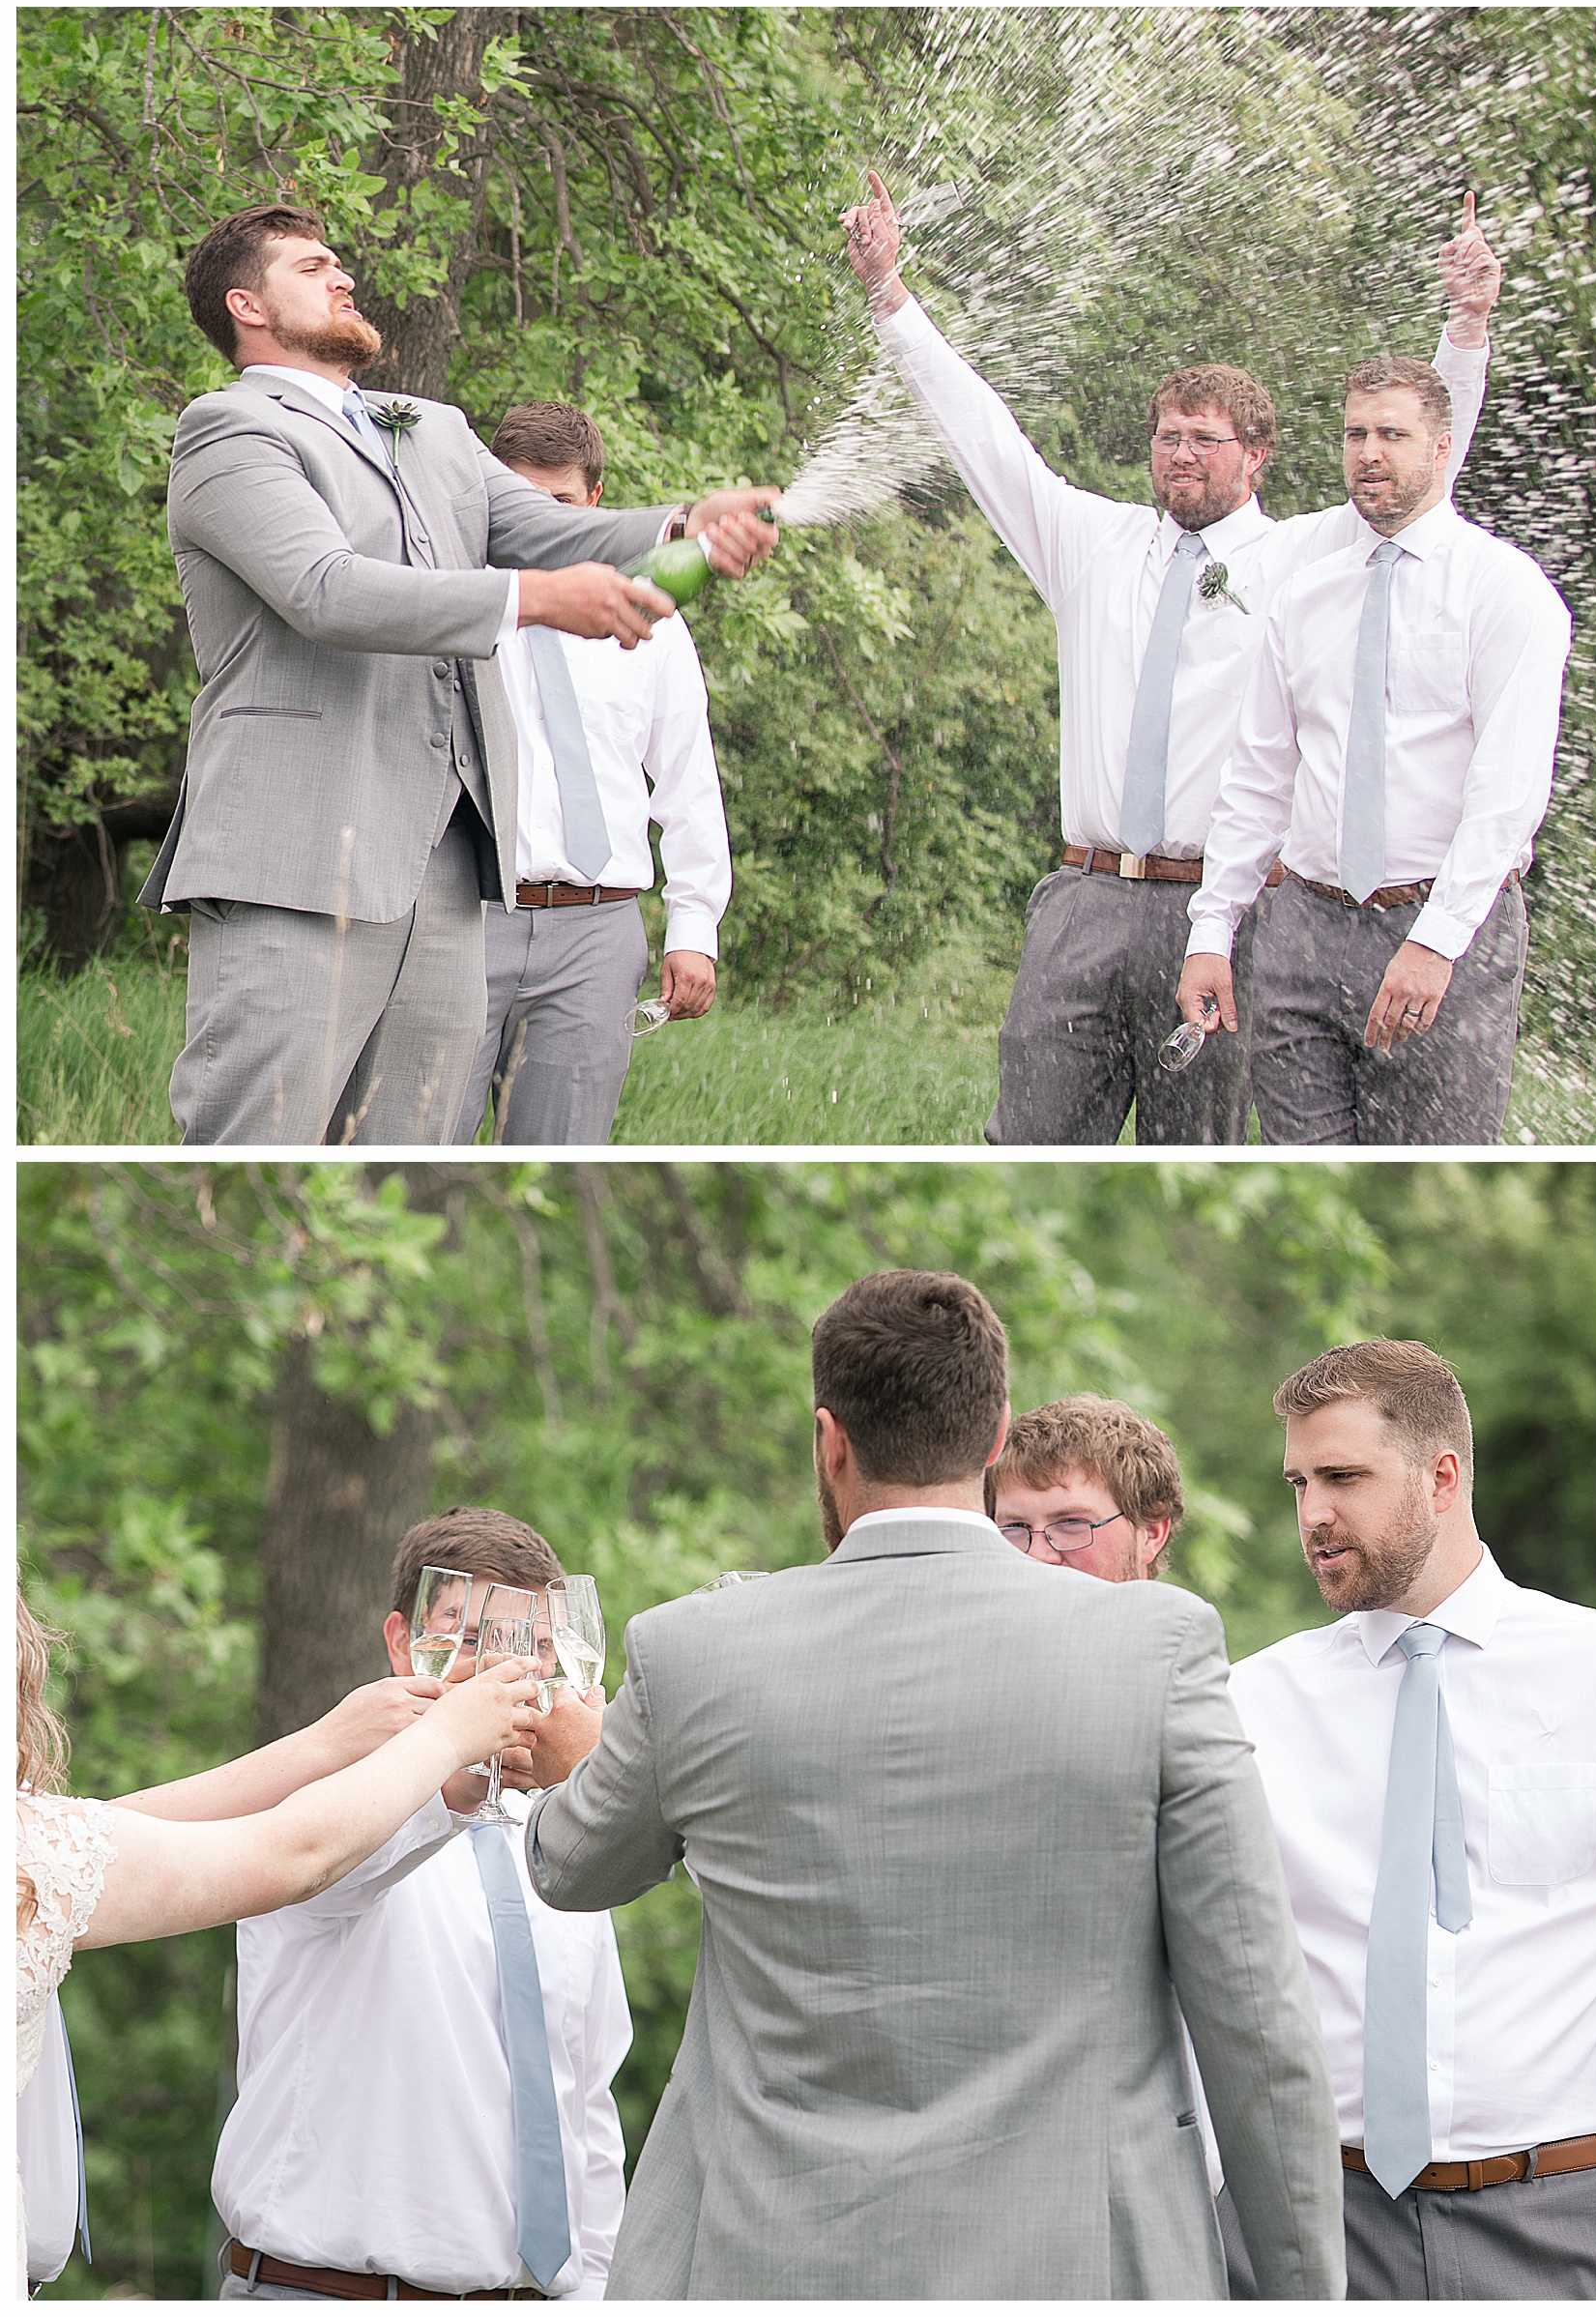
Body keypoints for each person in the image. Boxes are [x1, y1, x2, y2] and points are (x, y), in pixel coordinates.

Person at [524, 1269, 1344, 2300]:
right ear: (998, 1434)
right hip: (1074, 2267)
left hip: (758, 2260)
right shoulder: (1158, 1648)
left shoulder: (694, 1651)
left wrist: (577, 1762)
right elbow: (1257, 2021)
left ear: (832, 1439)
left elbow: (566, 1864)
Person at [841, 172, 1499, 1144]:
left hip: (1227, 918)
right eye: (1167, 435)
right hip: (1085, 899)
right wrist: (889, 293)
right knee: (1027, 1142)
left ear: (1257, 456)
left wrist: (1468, 327)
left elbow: (1416, 466)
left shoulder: (1307, 560)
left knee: (1202, 1151)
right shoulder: (1089, 542)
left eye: (1206, 438)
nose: (1180, 452)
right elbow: (978, 431)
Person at [142, 203, 777, 1146]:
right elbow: (326, 591)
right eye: (313, 268)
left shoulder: (429, 430)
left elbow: (549, 533)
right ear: (248, 305)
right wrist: (531, 601)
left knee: (407, 1170)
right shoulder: (228, 432)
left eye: (340, 262)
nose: (344, 277)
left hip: (444, 874)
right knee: (255, 1154)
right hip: (296, 859)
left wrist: (682, 525)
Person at [1215, 1341, 1596, 2300]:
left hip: (1562, 2227)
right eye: (1297, 1481)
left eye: (1343, 1477)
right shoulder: (1249, 1701)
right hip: (1307, 2232)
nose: (1311, 1513)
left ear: (1442, 1476)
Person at [15, 1587, 539, 2299]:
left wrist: (325, 1743)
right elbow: (291, 1855)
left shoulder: (34, 1854)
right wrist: (447, 1737)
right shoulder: (27, 1858)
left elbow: (109, 1828)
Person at [213, 1507, 629, 2303]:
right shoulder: (324, 1809)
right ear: (404, 1641)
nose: (507, 1673)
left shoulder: (560, 1849)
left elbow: (586, 2101)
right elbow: (332, 1860)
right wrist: (451, 1771)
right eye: (473, 1638)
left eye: (535, 1647)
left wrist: (597, 2290)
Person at [1175, 363, 1573, 1144]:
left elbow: (1509, 791)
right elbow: (1257, 781)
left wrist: (1436, 939)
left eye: (1392, 434)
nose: (1369, 453)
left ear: (1442, 447)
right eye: (1356, 433)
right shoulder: (1306, 596)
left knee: (1429, 1169)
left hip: (1438, 925)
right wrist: (1210, 931)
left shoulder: (1505, 591)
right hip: (1301, 929)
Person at [457, 402, 732, 1144]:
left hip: (596, 929)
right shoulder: (457, 606)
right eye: (521, 501)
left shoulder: (654, 621)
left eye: (562, 504)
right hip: (463, 919)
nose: (541, 521)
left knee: (564, 1153)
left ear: (596, 502)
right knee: (413, 1135)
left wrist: (694, 925)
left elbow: (686, 780)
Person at [986, 1392, 1183, 1581]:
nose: (1036, 1555)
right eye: (1015, 1527)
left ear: (1151, 1533)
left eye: (1071, 1523)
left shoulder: (1194, 1615)